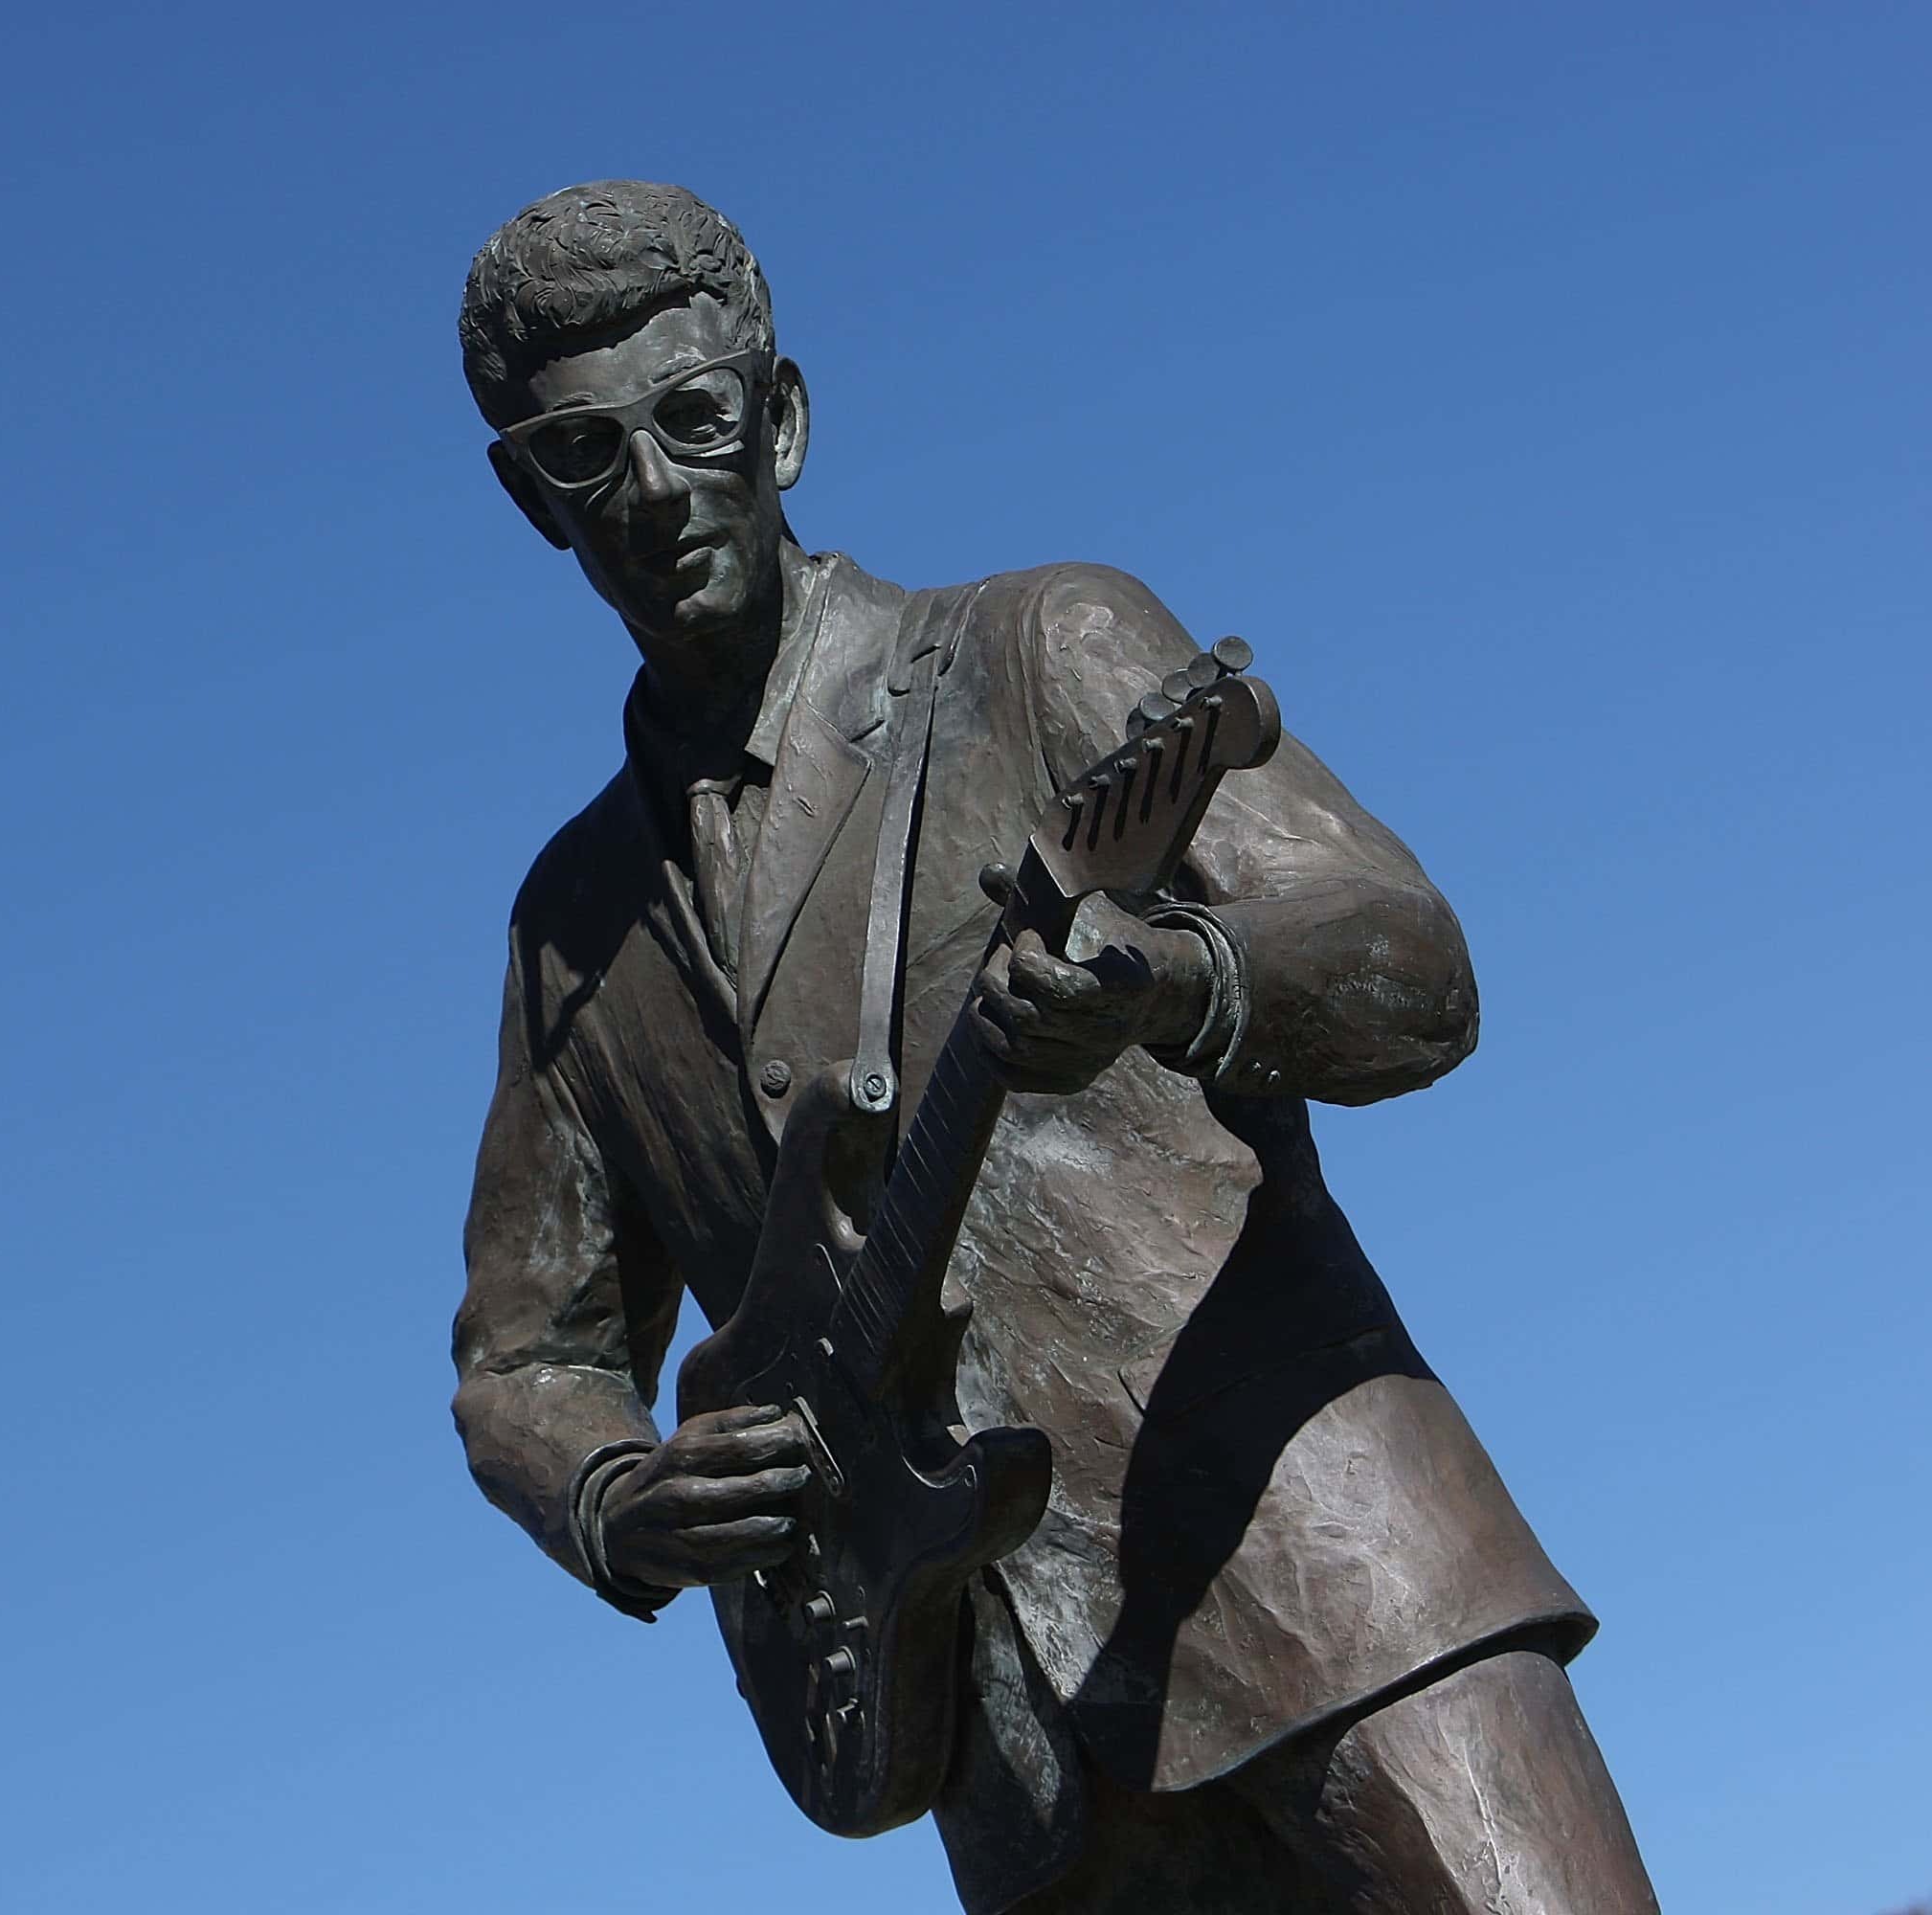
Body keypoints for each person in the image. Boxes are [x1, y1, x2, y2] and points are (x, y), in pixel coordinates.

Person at [448, 180, 1657, 1914]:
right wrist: (618, 1497)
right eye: (582, 456)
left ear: (779, 423)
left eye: (695, 418)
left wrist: (1174, 982)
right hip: (1006, 1747)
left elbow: (1413, 961)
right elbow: (523, 1357)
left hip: (1325, 1574)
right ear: (526, 497)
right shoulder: (566, 923)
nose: (651, 491)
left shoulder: (1040, 647)